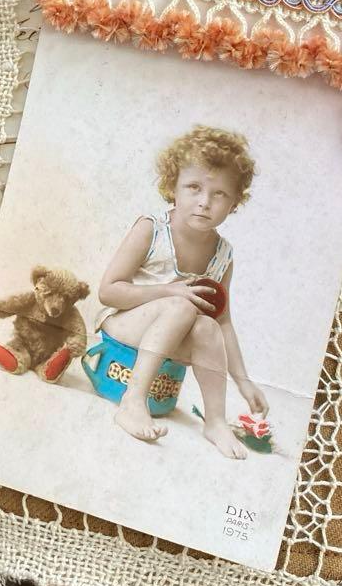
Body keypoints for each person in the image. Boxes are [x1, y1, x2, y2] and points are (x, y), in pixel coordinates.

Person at [97, 125, 269, 459]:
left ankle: (215, 421)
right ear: (172, 185)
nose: (204, 202)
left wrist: (244, 380)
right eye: (194, 187)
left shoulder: (223, 254)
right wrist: (168, 291)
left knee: (208, 325)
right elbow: (109, 291)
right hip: (124, 324)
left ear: (234, 202)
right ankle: (133, 402)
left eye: (219, 194)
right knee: (181, 306)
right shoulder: (152, 229)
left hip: (169, 339)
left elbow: (224, 322)